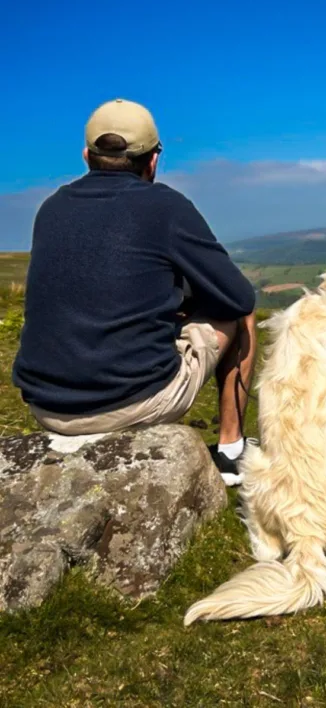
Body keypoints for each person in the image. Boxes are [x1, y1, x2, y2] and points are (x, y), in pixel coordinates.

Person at [13, 98, 257, 486]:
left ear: (86, 155)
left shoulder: (51, 206)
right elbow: (239, 297)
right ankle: (231, 452)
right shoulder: (165, 206)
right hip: (131, 403)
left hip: (46, 405)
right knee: (242, 318)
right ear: (154, 160)